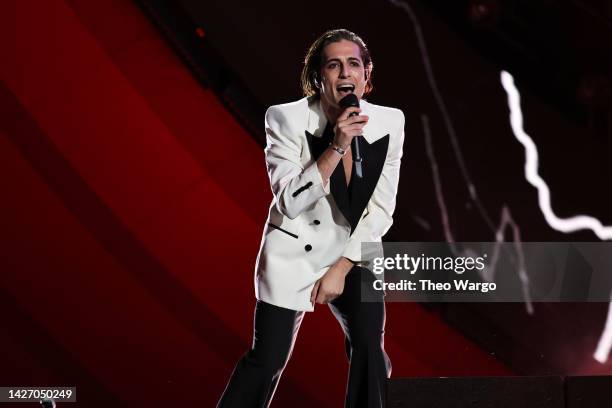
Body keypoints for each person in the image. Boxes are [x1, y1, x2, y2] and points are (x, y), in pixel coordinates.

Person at [217, 28, 405, 408]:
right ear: (318, 78)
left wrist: (343, 265)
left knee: (369, 346)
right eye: (333, 65)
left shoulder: (390, 122)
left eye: (353, 64)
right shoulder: (285, 119)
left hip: (353, 251)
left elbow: (381, 209)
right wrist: (337, 145)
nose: (344, 73)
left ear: (367, 76)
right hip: (295, 247)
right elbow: (289, 201)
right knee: (268, 359)